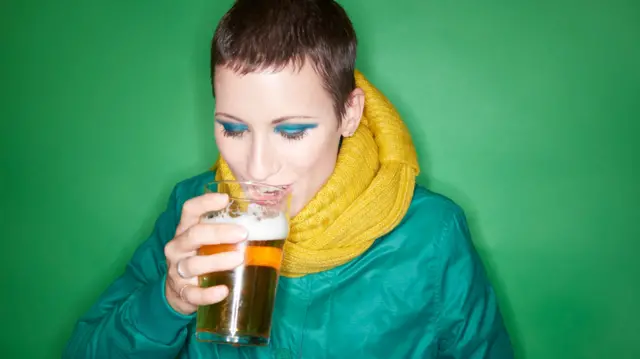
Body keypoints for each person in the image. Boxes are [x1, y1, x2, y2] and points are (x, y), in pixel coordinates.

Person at [63, 0, 514, 358]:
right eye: (233, 128)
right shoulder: (193, 208)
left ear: (349, 114)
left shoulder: (432, 234)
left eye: (292, 130)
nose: (257, 168)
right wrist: (167, 302)